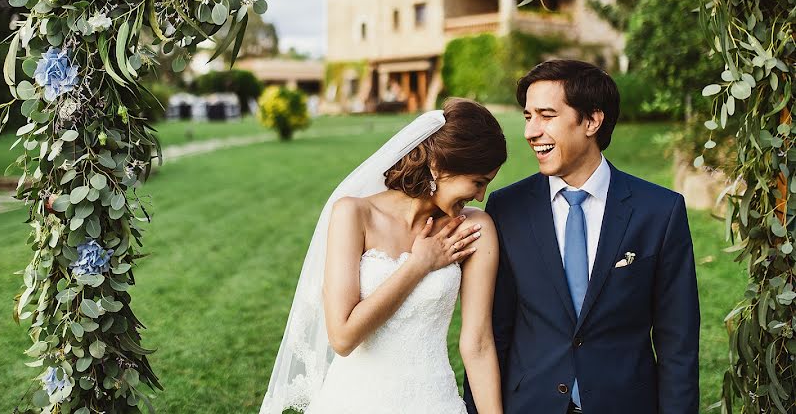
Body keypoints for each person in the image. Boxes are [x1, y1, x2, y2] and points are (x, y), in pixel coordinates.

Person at [463, 60, 700, 414]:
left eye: (546, 115)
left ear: (592, 121)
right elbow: (491, 331)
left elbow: (677, 343)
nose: (531, 131)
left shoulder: (660, 212)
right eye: (528, 116)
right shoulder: (506, 208)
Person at [261, 98, 508, 414]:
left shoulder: (474, 228)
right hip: (352, 402)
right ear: (440, 167)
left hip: (434, 402)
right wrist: (419, 265)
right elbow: (343, 336)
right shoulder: (354, 214)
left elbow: (478, 344)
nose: (480, 196)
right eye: (477, 182)